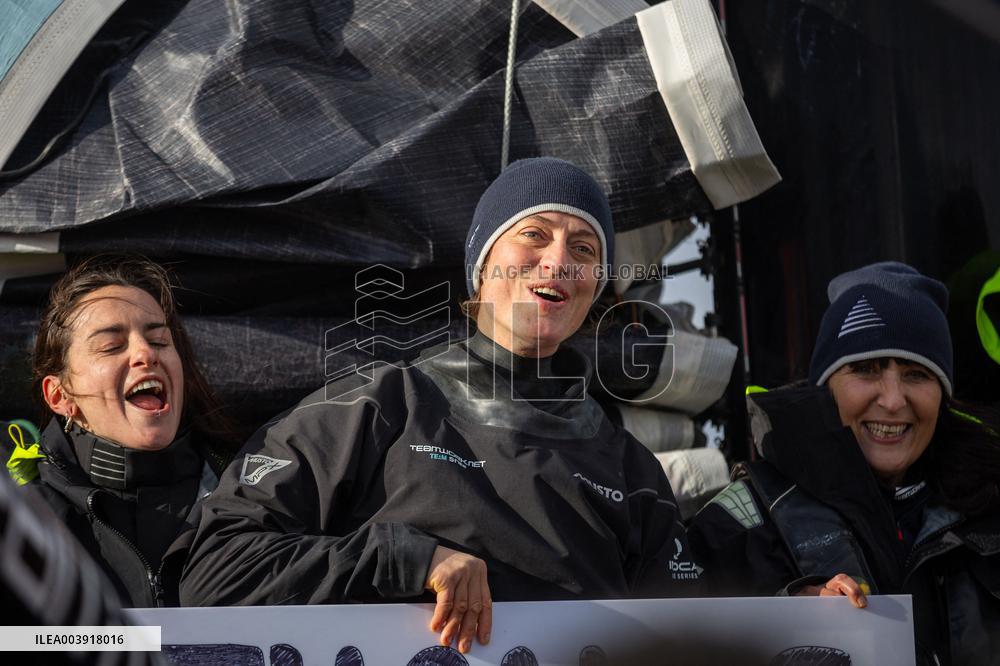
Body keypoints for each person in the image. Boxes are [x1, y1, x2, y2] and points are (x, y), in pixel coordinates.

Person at [180, 158, 696, 653]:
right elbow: (217, 571)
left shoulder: (633, 472)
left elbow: (688, 639)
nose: (559, 261)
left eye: (583, 248)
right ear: (483, 263)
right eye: (534, 235)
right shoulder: (375, 407)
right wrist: (405, 558)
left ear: (595, 286)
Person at [688, 262, 1000, 665]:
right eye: (866, 370)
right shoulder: (739, 522)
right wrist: (786, 619)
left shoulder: (991, 506)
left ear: (942, 396)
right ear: (824, 388)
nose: (893, 400)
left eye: (917, 374)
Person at [26, 255, 239, 607]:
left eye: (159, 341)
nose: (146, 354)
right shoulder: (25, 521)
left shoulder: (250, 492)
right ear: (60, 396)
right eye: (112, 346)